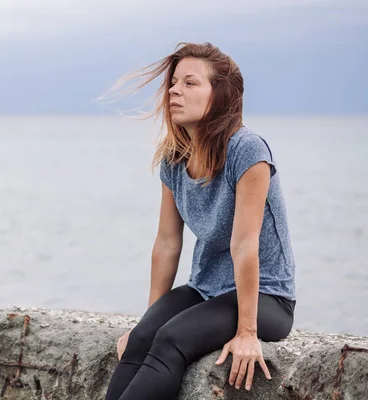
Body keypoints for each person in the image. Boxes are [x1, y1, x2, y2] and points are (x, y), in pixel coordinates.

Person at [103, 42, 297, 400]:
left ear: (220, 95)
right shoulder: (174, 158)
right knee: (143, 339)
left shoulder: (248, 151)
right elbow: (166, 243)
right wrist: (147, 322)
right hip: (205, 288)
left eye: (190, 83)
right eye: (174, 82)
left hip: (266, 298)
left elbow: (244, 244)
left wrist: (247, 332)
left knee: (171, 339)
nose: (174, 90)